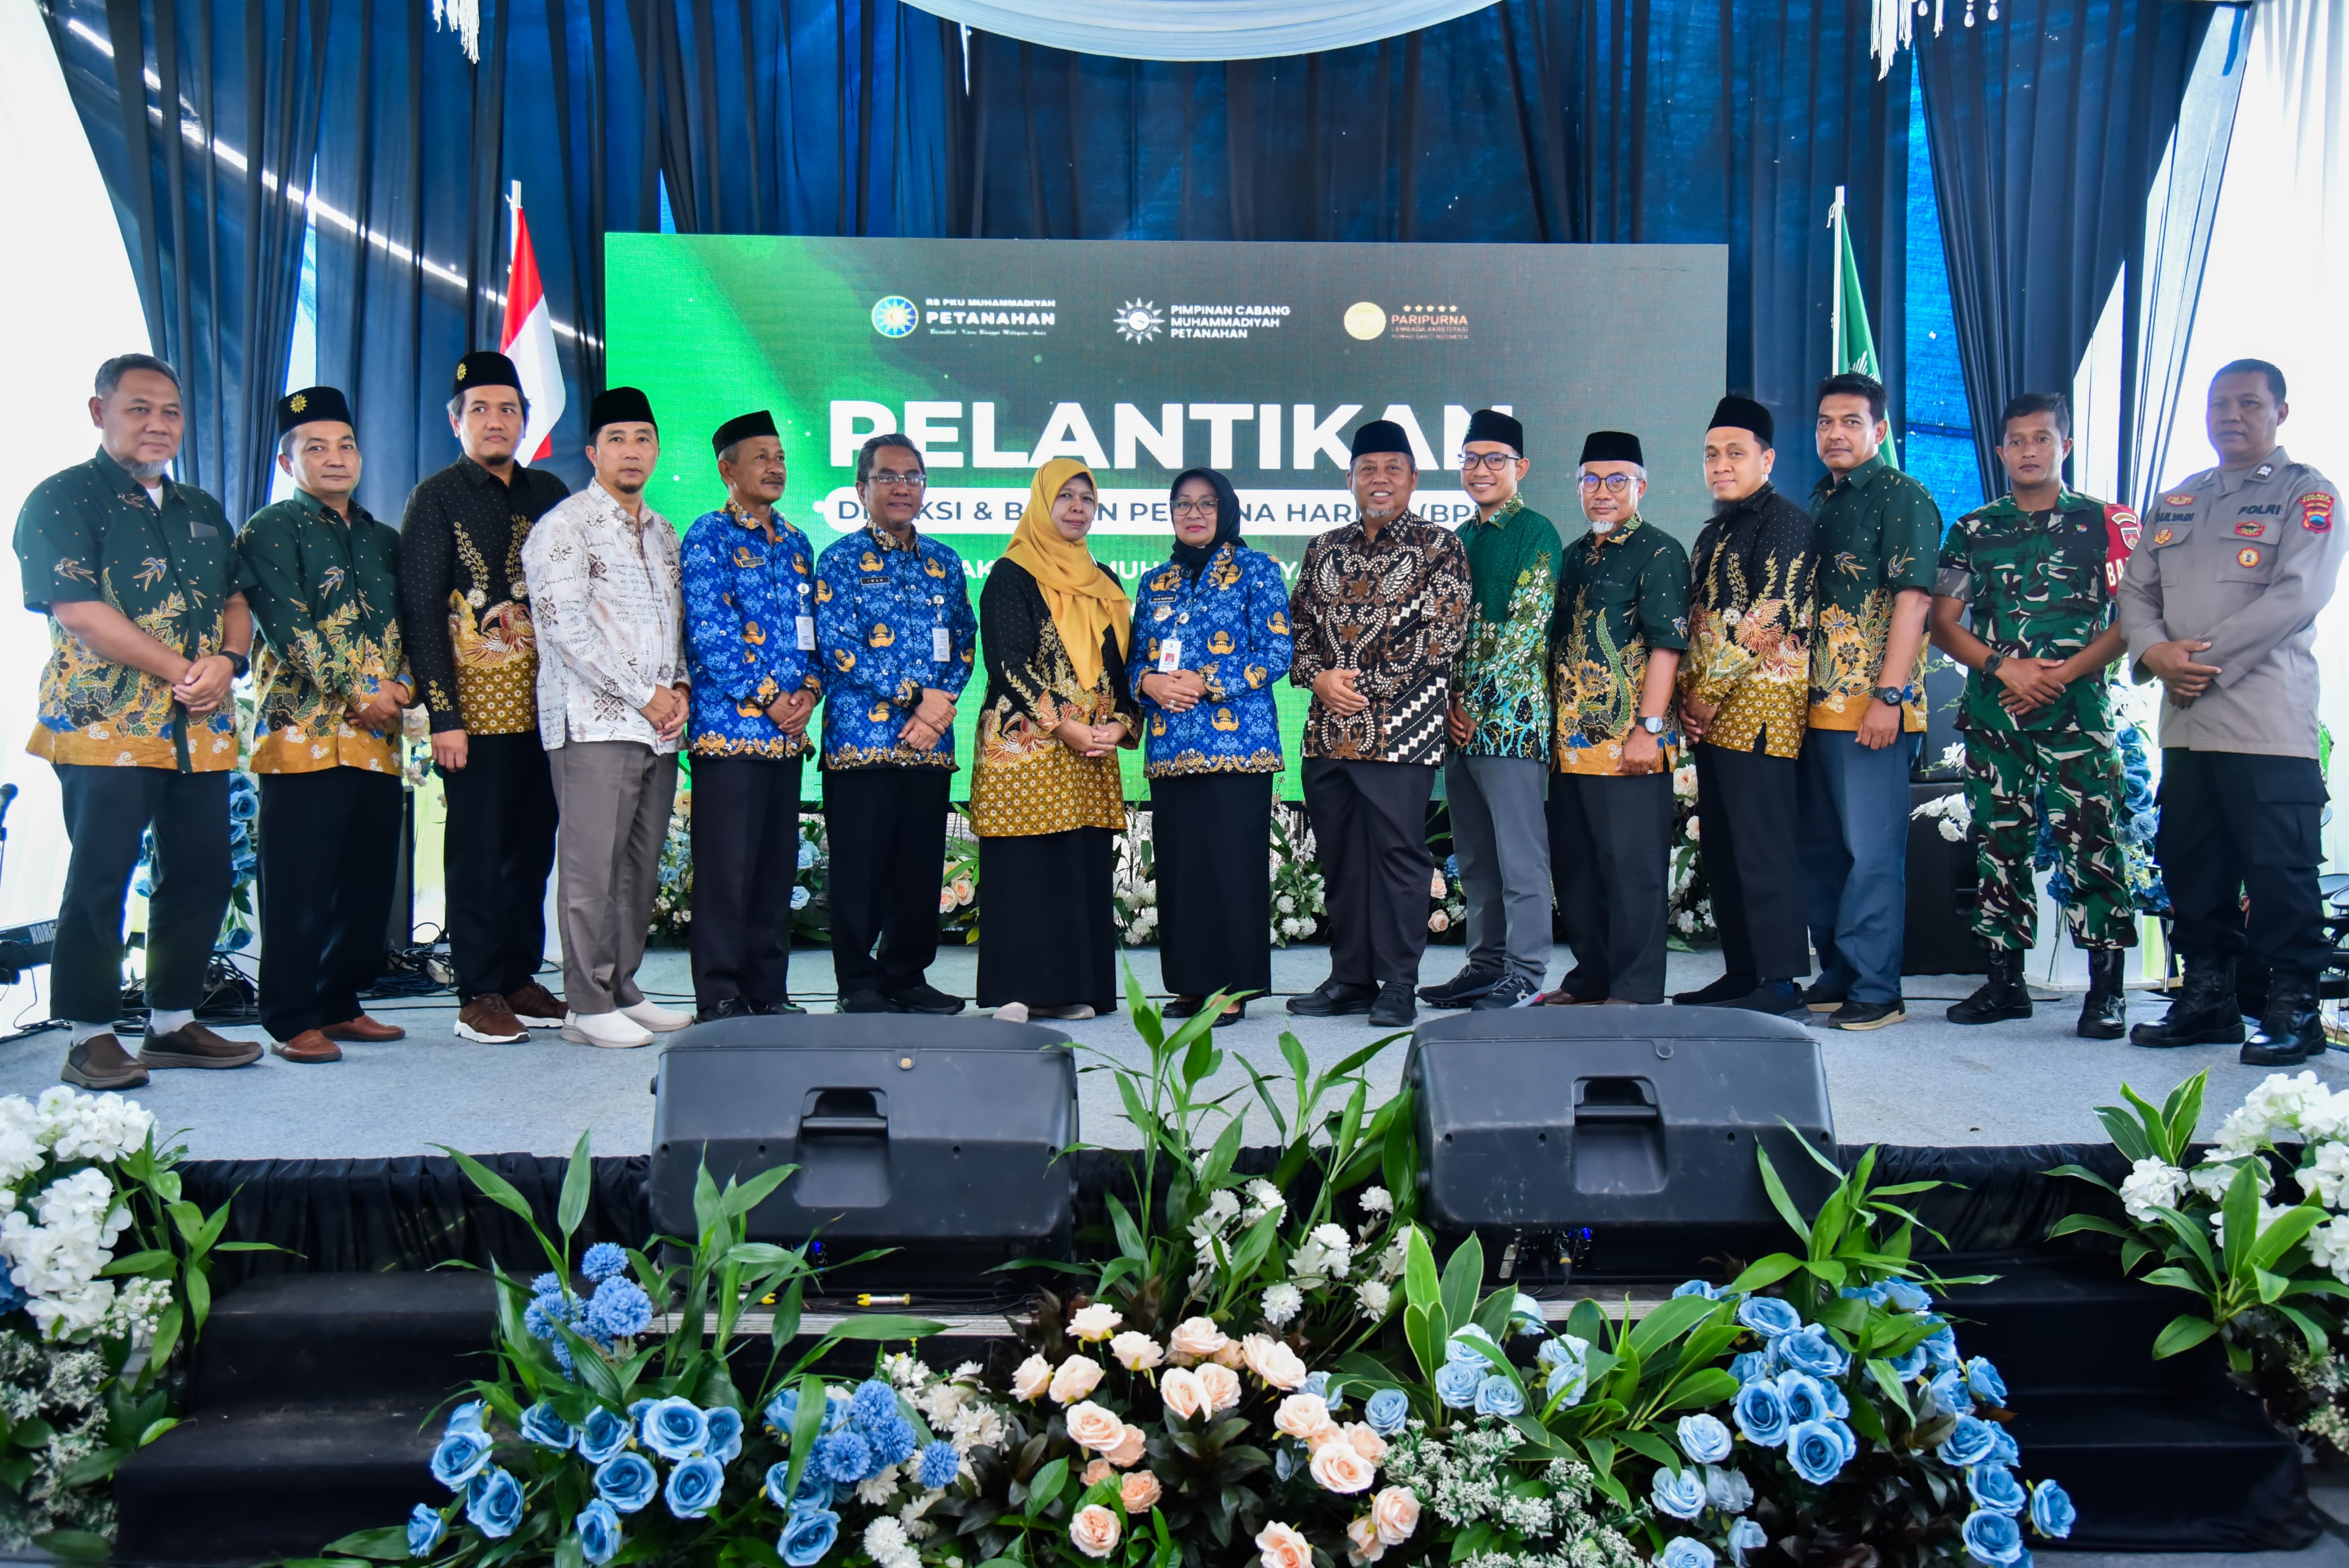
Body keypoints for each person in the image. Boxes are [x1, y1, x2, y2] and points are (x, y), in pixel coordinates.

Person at [13, 353, 264, 1087]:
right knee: (102, 876)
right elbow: (79, 611)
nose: (158, 424)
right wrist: (183, 670)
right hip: (104, 725)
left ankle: (173, 1023)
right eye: (140, 408)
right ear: (101, 413)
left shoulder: (201, 508)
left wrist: (229, 660)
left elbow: (237, 597)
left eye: (171, 412)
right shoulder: (62, 499)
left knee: (202, 871)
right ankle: (89, 1035)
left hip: (200, 726)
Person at [2120, 359, 2344, 1065]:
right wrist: (2155, 653)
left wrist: (2196, 663)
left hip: (2265, 719)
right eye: (2219, 403)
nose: (2230, 415)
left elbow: (2296, 594)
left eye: (2248, 402)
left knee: (2279, 872)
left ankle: (2293, 1008)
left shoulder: (2306, 493)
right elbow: (2135, 593)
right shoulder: (2177, 499)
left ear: (2280, 411)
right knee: (2191, 864)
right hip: (2186, 724)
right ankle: (2206, 999)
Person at [1930, 392, 2140, 1037]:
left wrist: (2060, 674)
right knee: (1999, 844)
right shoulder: (1971, 530)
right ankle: (2003, 983)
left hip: (2076, 714)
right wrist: (2005, 667)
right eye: (2016, 440)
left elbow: (2133, 618)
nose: (2028, 450)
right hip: (1997, 715)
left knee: (2092, 841)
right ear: (1999, 451)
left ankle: (2105, 991)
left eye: (2041, 438)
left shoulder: (2105, 521)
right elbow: (1942, 622)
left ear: (2064, 445)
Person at [398, 351, 570, 1043]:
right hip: (473, 713)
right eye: (480, 410)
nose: (495, 421)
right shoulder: (436, 496)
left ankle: (520, 975)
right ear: (456, 421)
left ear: (525, 419)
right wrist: (444, 716)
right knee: (478, 851)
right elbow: (420, 611)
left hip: (548, 709)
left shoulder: (549, 491)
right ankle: (478, 990)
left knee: (532, 848)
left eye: (507, 409)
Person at [238, 385, 413, 1065]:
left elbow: (412, 624)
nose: (335, 458)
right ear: (289, 462)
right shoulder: (269, 529)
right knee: (297, 885)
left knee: (365, 884)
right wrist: (361, 690)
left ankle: (339, 1002)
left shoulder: (383, 539)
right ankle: (289, 1016)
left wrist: (402, 688)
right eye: (316, 447)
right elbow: (288, 628)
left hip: (376, 740)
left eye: (345, 445)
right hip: (301, 734)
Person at [521, 386, 692, 1049]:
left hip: (658, 726)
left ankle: (622, 986)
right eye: (617, 439)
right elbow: (563, 629)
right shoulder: (564, 527)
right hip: (592, 724)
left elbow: (674, 624)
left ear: (656, 450)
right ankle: (586, 1004)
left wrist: (678, 687)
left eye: (642, 438)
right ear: (593, 452)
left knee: (639, 867)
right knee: (591, 867)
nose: (631, 451)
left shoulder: (664, 532)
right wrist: (643, 693)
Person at [1287, 419, 1472, 1028]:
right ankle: (1350, 978)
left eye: (1393, 468)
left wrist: (1359, 687)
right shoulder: (1322, 548)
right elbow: (1296, 630)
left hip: (1402, 734)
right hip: (1326, 734)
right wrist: (1318, 678)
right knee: (1340, 858)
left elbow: (1442, 637)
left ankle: (1397, 983)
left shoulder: (1439, 546)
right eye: (1368, 469)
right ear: (1350, 480)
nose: (1380, 479)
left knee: (1398, 856)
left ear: (1413, 479)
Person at [814, 433, 979, 1015]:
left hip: (929, 744)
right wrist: (915, 697)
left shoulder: (944, 562)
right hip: (860, 743)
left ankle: (907, 976)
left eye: (912, 476)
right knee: (859, 870)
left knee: (918, 869)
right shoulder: (839, 559)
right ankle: (857, 982)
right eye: (887, 476)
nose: (902, 486)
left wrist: (938, 708)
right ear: (861, 487)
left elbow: (964, 640)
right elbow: (838, 646)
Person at [1799, 372, 1942, 1030]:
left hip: (1870, 709)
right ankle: (1837, 973)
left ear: (1878, 430)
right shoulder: (1819, 499)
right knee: (1821, 849)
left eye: (1851, 421)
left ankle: (1878, 987)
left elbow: (1914, 601)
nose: (1835, 433)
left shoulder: (1900, 495)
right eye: (1825, 421)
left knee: (1870, 852)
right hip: (1812, 706)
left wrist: (1888, 695)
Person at [971, 460, 1137, 1022]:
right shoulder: (1011, 573)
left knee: (1076, 869)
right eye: (1064, 496)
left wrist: (1122, 724)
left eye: (1086, 498)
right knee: (1024, 870)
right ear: (1043, 502)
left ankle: (1072, 989)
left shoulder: (1105, 580)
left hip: (1089, 752)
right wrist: (1064, 723)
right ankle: (1017, 991)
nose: (1076, 507)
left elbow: (1123, 667)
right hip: (1025, 749)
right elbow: (1007, 664)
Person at [1132, 468, 1291, 1025]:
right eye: (1182, 503)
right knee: (1181, 872)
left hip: (1238, 747)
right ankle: (1190, 983)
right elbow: (1135, 661)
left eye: (1205, 503)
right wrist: (1148, 683)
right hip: (1170, 749)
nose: (1193, 513)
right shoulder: (1154, 581)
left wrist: (1206, 680)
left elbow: (1276, 652)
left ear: (1225, 509)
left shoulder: (1257, 569)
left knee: (1230, 869)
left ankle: (1231, 988)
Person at [1673, 396, 1817, 1016]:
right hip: (1711, 712)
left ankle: (1780, 981)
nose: (1721, 464)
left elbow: (1771, 614)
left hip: (1761, 708)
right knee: (1725, 850)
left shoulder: (1784, 521)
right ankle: (1743, 973)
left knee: (1763, 847)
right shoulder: (1715, 530)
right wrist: (1690, 696)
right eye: (1712, 454)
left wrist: (1704, 693)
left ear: (1767, 459)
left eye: (1735, 453)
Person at [680, 410, 822, 1022]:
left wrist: (808, 692)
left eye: (781, 456)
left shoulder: (796, 543)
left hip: (787, 738)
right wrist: (771, 697)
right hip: (729, 734)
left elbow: (813, 634)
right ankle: (719, 993)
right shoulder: (708, 535)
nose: (775, 467)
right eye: (761, 456)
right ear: (727, 469)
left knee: (773, 870)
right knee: (726, 872)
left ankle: (768, 990)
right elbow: (711, 633)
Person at [1543, 431, 1689, 1007]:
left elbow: (1667, 646)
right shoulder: (1573, 555)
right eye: (1591, 480)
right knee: (1578, 871)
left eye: (1616, 480)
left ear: (1640, 487)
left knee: (1632, 872)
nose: (1602, 491)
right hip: (1569, 745)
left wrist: (1648, 729)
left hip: (1629, 743)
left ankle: (1634, 988)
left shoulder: (1658, 552)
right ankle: (1592, 978)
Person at [1422, 409, 1560, 1013]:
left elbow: (1527, 631)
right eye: (1471, 459)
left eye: (1494, 460)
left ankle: (1525, 973)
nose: (1481, 470)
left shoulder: (1536, 532)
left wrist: (1473, 703)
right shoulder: (1459, 538)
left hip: (1511, 724)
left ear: (1519, 467)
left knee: (1519, 858)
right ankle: (1485, 966)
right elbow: (1444, 631)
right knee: (1475, 858)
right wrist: (1450, 704)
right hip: (1460, 726)